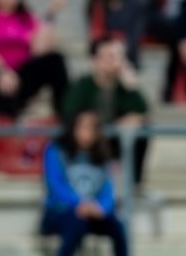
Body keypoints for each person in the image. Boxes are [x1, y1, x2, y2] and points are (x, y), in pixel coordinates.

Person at [41, 110, 133, 256]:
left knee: (118, 226)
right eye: (82, 127)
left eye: (91, 128)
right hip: (60, 212)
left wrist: (101, 208)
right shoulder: (56, 150)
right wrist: (79, 204)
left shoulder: (102, 157)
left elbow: (108, 190)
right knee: (76, 222)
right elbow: (55, 186)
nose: (86, 133)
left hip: (91, 212)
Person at [63, 37, 149, 187]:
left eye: (117, 57)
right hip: (90, 141)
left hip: (116, 142)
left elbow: (142, 110)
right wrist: (107, 123)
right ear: (95, 60)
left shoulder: (124, 88)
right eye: (109, 56)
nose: (114, 61)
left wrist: (132, 86)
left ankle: (134, 183)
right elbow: (69, 112)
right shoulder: (82, 85)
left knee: (142, 128)